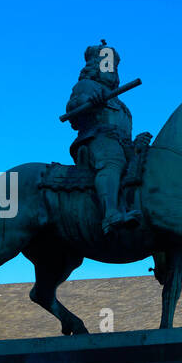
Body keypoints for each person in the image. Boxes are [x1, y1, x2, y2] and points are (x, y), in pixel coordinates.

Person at [66, 40, 139, 233]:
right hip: (96, 140)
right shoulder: (87, 86)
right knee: (112, 163)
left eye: (113, 66)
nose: (111, 70)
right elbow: (73, 111)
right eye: (106, 64)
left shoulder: (120, 103)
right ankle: (110, 214)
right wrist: (88, 102)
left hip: (122, 144)